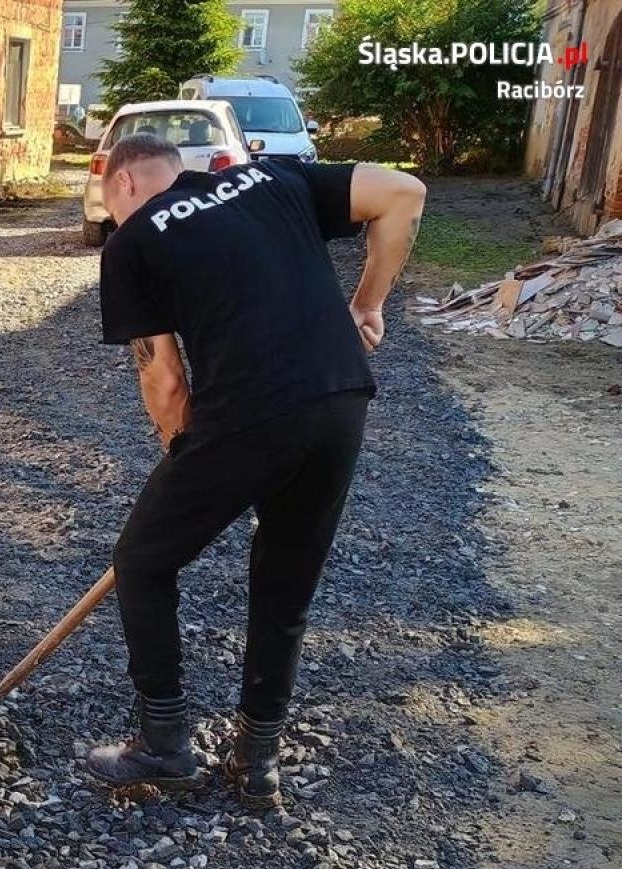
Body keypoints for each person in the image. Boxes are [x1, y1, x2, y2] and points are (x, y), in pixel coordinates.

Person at [85, 134, 426, 808]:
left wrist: (180, 457)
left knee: (144, 560)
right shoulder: (271, 179)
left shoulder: (133, 240)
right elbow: (403, 195)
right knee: (284, 584)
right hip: (340, 399)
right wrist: (368, 303)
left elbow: (163, 375)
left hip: (247, 413)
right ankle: (255, 763)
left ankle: (165, 744)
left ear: (123, 184)